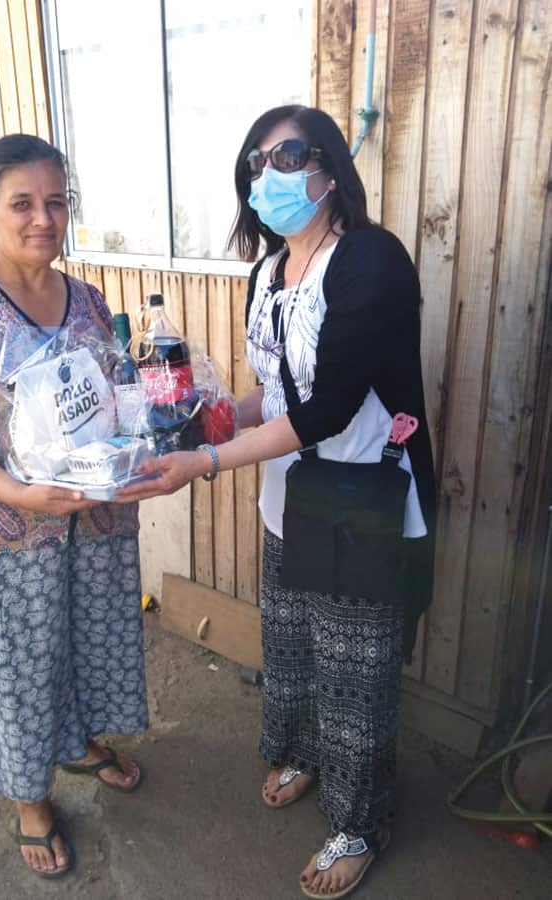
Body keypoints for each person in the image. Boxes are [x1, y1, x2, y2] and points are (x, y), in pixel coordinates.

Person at [117, 105, 436, 899]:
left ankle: (360, 819)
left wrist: (207, 458)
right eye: (256, 164)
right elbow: (280, 394)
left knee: (355, 672)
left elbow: (329, 408)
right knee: (292, 643)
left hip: (363, 500)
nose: (270, 175)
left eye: (287, 155)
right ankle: (302, 751)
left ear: (328, 165)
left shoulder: (371, 260)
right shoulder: (268, 272)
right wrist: (209, 417)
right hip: (290, 498)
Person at [0, 134, 148, 879]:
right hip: (8, 532)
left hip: (94, 523)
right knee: (20, 667)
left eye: (55, 202)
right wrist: (21, 494)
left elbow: (111, 396)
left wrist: (141, 445)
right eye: (22, 203)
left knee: (89, 641)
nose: (42, 218)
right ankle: (30, 802)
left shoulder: (87, 299)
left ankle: (76, 744)